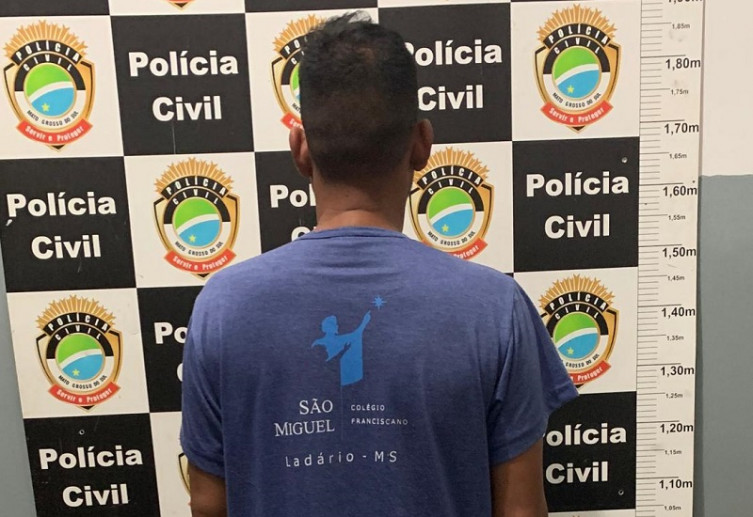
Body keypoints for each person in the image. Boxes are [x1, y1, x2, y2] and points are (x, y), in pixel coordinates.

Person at [181, 12, 577, 517]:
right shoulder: (494, 307)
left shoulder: (223, 306)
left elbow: (208, 503)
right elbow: (521, 510)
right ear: (421, 143)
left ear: (300, 149)